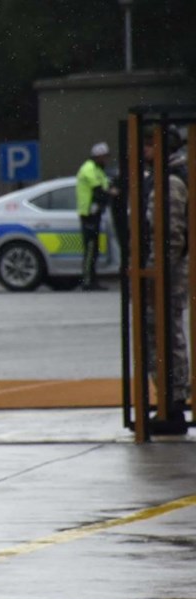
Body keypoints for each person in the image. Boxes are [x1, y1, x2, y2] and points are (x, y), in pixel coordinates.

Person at [141, 128, 190, 434]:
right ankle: (168, 400)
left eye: (148, 145)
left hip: (166, 277)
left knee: (166, 336)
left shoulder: (170, 182)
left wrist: (155, 275)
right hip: (161, 275)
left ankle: (173, 402)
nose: (143, 151)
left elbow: (170, 238)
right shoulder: (160, 179)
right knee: (160, 335)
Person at [75, 142, 118, 291]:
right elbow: (99, 190)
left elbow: (106, 186)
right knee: (90, 249)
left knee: (94, 249)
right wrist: (111, 193)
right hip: (89, 214)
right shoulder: (89, 169)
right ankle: (87, 281)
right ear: (98, 156)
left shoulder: (98, 170)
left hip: (95, 213)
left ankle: (92, 280)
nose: (106, 160)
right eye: (104, 157)